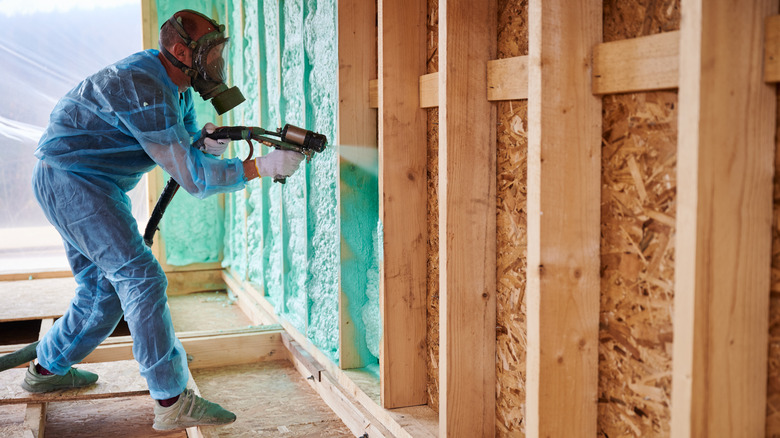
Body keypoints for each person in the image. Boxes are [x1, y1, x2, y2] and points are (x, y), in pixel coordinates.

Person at [23, 9, 303, 431]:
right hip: (73, 180)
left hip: (85, 181)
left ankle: (46, 370)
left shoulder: (179, 89)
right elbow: (193, 179)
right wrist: (260, 167)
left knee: (104, 290)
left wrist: (206, 145)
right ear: (180, 51)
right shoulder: (146, 86)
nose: (217, 65)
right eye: (211, 55)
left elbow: (187, 155)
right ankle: (170, 400)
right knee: (140, 278)